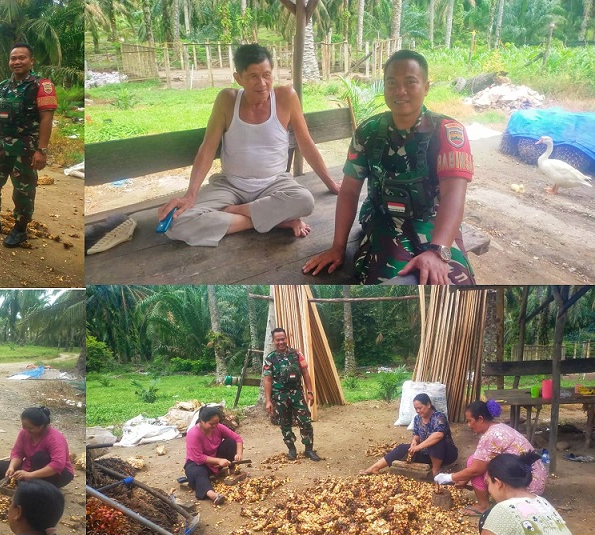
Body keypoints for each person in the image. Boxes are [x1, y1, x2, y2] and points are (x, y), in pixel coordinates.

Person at [303, 49, 476, 284]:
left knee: (454, 281)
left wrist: (438, 251)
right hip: (384, 218)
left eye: (410, 82)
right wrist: (337, 247)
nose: (400, 91)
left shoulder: (448, 131)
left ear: (426, 87)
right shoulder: (369, 131)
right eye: (391, 83)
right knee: (388, 280)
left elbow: (454, 197)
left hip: (435, 221)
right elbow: (350, 191)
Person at [156, 43, 341, 247]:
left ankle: (244, 214)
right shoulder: (227, 100)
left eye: (267, 74)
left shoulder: (286, 97)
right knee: (176, 223)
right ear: (238, 78)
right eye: (253, 76)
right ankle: (273, 221)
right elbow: (207, 149)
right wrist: (190, 196)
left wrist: (331, 183)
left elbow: (306, 144)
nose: (262, 83)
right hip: (230, 185)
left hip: (274, 184)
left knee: (305, 200)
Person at [0, 42, 57, 248]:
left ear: (31, 61)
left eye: (21, 58)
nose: (16, 62)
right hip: (1, 144)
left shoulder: (41, 86)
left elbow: (47, 119)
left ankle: (20, 229)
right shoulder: (3, 87)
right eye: (13, 58)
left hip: (27, 147)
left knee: (23, 190)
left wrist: (42, 150)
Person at [439, 452, 581, 535]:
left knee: (487, 522)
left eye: (488, 484)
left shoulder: (505, 509)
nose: (488, 490)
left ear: (498, 483)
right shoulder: (541, 502)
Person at [434, 399, 547, 517]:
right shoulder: (500, 427)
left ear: (481, 419)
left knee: (473, 463)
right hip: (535, 478)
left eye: (469, 421)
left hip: (526, 486)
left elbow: (476, 469)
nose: (468, 425)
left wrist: (448, 477)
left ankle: (483, 506)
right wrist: (464, 479)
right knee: (476, 459)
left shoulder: (490, 436)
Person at [360, 393, 458, 476]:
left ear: (428, 405)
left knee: (435, 443)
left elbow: (438, 435)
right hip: (427, 453)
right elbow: (416, 435)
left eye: (420, 408)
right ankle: (374, 468)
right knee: (402, 448)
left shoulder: (439, 417)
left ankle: (435, 471)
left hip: (446, 454)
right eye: (416, 409)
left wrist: (419, 447)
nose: (418, 411)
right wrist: (415, 442)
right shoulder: (417, 418)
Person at [263, 327, 320, 461]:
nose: (281, 342)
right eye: (278, 340)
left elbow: (305, 373)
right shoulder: (270, 358)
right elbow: (267, 379)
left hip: (297, 395)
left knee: (305, 421)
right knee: (285, 423)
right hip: (280, 396)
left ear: (286, 339)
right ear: (273, 341)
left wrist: (310, 392)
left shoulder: (296, 354)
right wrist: (268, 400)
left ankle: (309, 450)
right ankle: (291, 450)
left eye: (283, 339)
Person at [183, 405, 246, 506]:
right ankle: (213, 495)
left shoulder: (218, 427)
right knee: (198, 472)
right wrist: (219, 461)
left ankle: (229, 470)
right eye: (211, 424)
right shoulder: (193, 433)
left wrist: (239, 453)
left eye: (217, 423)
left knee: (230, 442)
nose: (215, 426)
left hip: (216, 460)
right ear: (202, 422)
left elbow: (237, 439)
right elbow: (198, 457)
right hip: (198, 463)